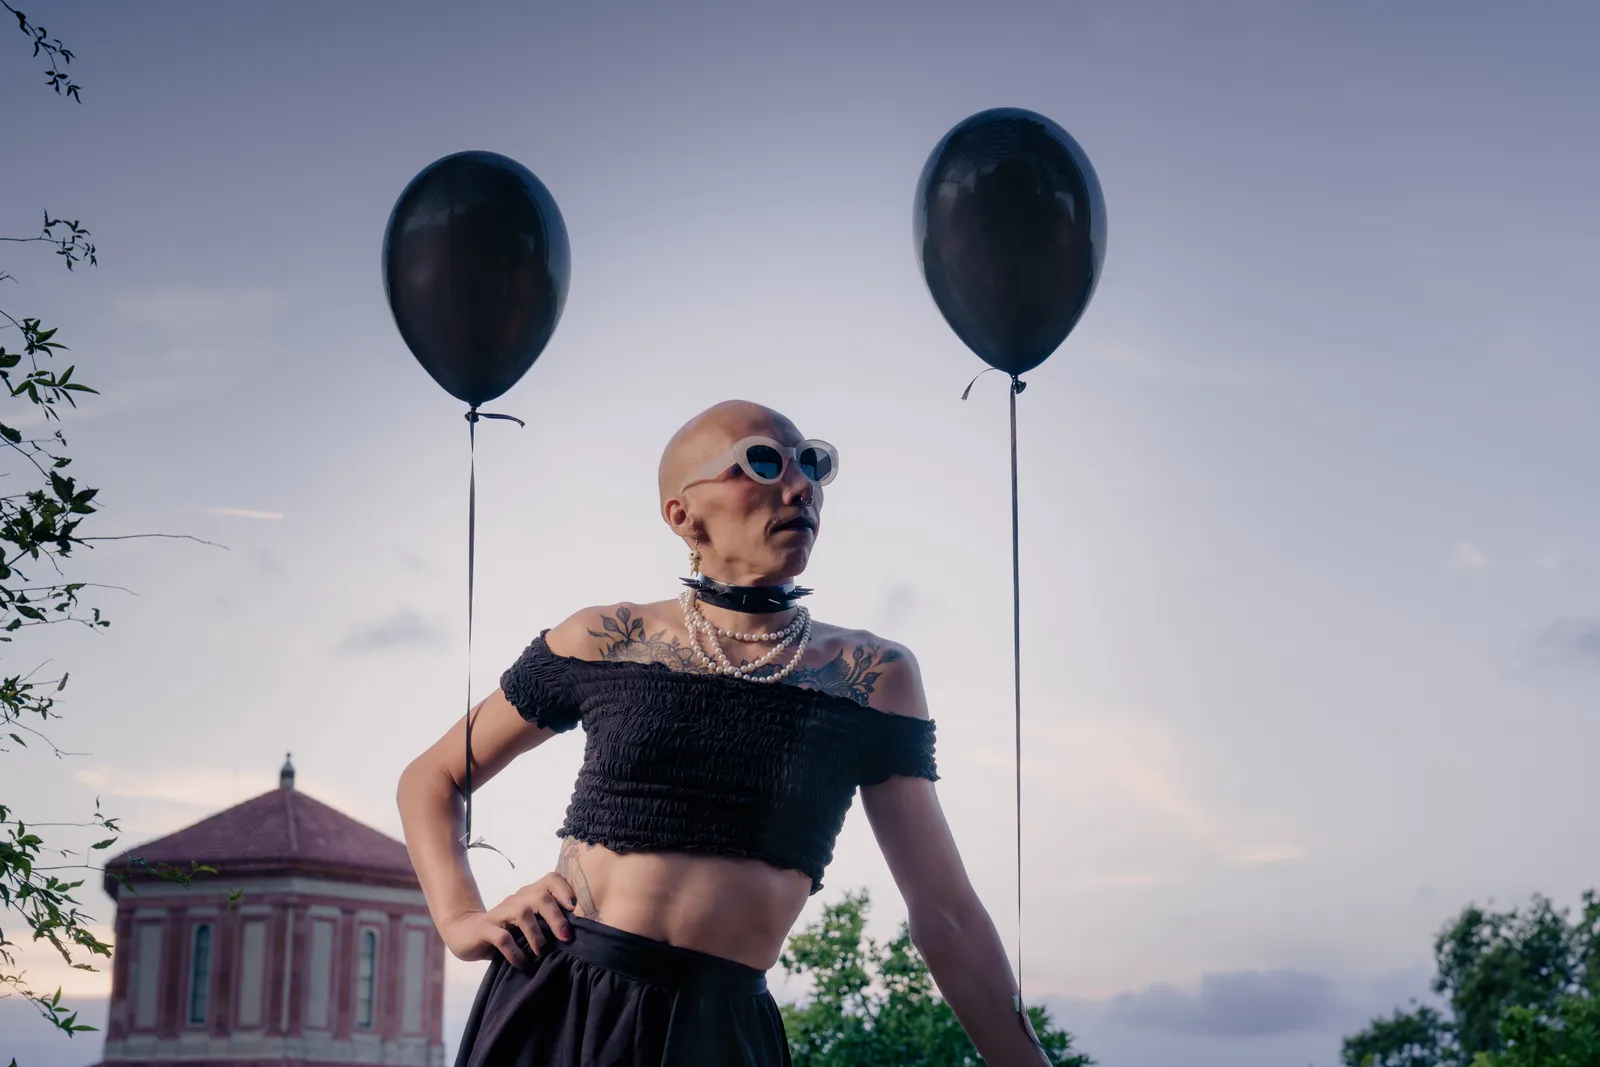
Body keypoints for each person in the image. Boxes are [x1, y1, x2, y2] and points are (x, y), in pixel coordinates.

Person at [397, 400, 1050, 1067]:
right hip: (561, 1002)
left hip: (725, 1033)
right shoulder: (604, 638)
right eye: (760, 462)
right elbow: (432, 777)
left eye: (812, 464)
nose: (799, 486)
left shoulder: (873, 673)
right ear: (683, 515)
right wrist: (462, 920)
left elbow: (947, 914)